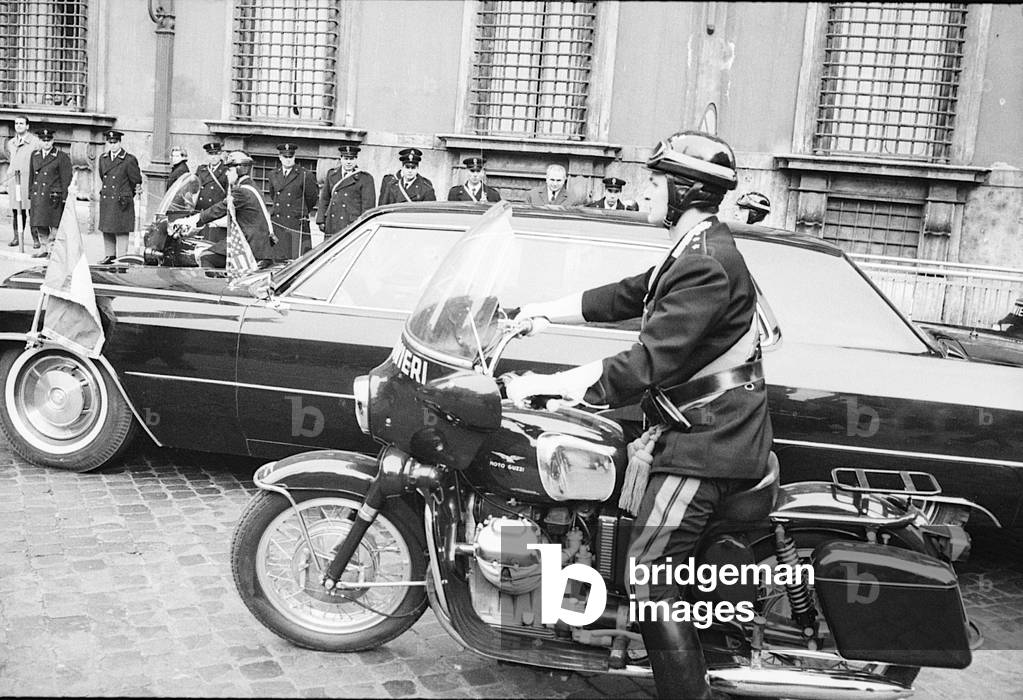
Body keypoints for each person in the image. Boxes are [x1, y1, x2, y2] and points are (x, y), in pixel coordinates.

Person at [505, 131, 772, 700]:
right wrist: (540, 312)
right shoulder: (695, 250)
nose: (645, 189)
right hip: (699, 427)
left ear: (684, 190)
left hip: (707, 442)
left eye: (655, 180)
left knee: (650, 576)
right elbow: (630, 294)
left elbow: (649, 361)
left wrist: (554, 386)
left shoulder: (707, 264)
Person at [183, 151, 275, 269]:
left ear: (240, 169)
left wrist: (194, 221)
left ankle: (216, 287)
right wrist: (210, 222)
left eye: (230, 170)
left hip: (250, 245)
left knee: (205, 256)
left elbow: (219, 208)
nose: (227, 174)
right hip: (259, 245)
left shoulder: (241, 192)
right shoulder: (251, 186)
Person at [97, 129, 143, 263]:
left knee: (121, 230)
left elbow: (136, 181)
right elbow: (103, 177)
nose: (113, 145)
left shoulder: (128, 160)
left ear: (120, 142)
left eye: (115, 142)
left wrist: (126, 195)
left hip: (121, 200)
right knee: (107, 228)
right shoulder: (103, 158)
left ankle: (122, 257)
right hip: (107, 198)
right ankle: (109, 256)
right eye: (110, 142)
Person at [27, 127, 73, 259]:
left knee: (54, 224)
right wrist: (31, 192)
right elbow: (32, 176)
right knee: (40, 223)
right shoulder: (34, 155)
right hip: (39, 194)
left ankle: (53, 250)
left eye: (49, 140)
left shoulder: (61, 156)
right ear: (39, 141)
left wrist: (65, 197)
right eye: (43, 140)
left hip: (53, 196)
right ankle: (44, 248)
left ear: (53, 141)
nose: (46, 143)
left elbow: (66, 179)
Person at [268, 143, 319, 260]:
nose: (288, 160)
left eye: (290, 157)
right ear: (280, 157)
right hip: (278, 221)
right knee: (278, 259)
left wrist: (300, 211)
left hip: (296, 222)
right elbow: (273, 195)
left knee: (296, 259)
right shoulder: (273, 174)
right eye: (285, 157)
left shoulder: (305, 175)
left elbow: (311, 198)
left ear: (294, 157)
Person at [317, 144, 375, 242]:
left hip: (352, 224)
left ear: (356, 159)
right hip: (332, 223)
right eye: (346, 158)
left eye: (351, 159)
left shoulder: (365, 178)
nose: (348, 162)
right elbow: (324, 199)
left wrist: (363, 225)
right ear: (341, 158)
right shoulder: (332, 174)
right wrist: (321, 219)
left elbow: (368, 207)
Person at [6, 115, 41, 247]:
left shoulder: (35, 142)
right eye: (16, 123)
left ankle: (36, 239)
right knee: (16, 210)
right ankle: (17, 237)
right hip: (15, 181)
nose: (18, 126)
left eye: (21, 123)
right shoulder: (11, 143)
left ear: (27, 126)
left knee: (32, 211)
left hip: (29, 181)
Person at [195, 141, 229, 250]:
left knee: (212, 248)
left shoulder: (226, 171)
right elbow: (194, 189)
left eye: (216, 154)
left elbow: (229, 195)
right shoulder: (201, 170)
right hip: (201, 214)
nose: (213, 157)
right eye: (210, 154)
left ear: (221, 155)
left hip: (216, 217)